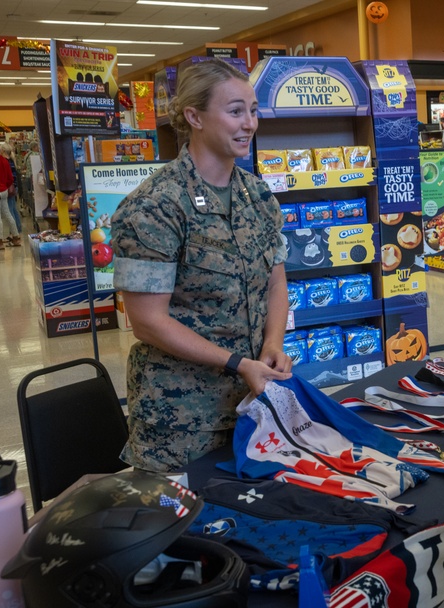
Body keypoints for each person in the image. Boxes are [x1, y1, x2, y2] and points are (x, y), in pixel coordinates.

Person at [110, 59, 292, 473]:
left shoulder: (259, 197)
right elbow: (147, 322)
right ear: (194, 116)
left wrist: (272, 345)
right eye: (235, 111)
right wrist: (237, 363)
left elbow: (275, 283)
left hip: (252, 409)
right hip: (181, 421)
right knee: (187, 533)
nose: (249, 123)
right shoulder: (154, 206)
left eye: (253, 109)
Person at [0, 140, 20, 251]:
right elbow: (10, 178)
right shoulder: (4, 160)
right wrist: (5, 186)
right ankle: (16, 237)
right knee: (7, 213)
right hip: (4, 190)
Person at [0, 142, 22, 234]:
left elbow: (7, 177)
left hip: (8, 187)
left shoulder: (4, 161)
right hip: (13, 187)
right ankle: (18, 228)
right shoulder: (12, 160)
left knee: (9, 210)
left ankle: (14, 232)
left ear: (3, 150)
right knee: (13, 208)